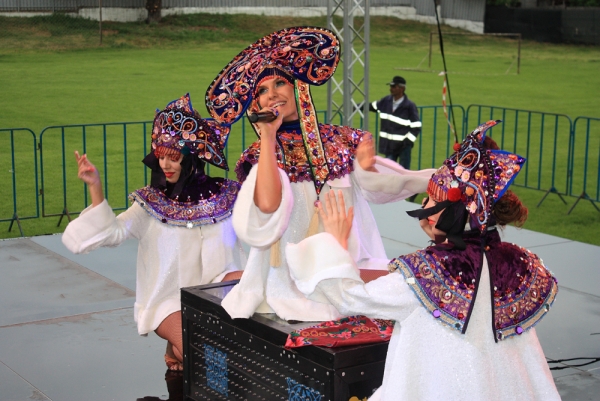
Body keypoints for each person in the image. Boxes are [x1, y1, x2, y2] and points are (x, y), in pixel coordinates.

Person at [286, 120, 560, 400]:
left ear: (458, 210)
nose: (424, 208)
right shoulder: (523, 263)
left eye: (433, 200)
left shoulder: (428, 272)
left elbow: (349, 299)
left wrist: (335, 242)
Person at [205, 26, 435, 322]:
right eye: (262, 90)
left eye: (280, 84)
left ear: (298, 87)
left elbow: (376, 185)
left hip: (344, 263)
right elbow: (266, 206)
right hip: (285, 280)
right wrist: (268, 137)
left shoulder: (342, 139)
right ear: (256, 104)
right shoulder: (258, 155)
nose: (272, 94)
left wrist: (433, 178)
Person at [62, 94, 246, 371]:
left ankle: (180, 345)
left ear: (192, 158)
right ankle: (176, 341)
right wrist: (95, 187)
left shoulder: (226, 194)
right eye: (161, 156)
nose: (165, 165)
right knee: (207, 361)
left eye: (174, 157)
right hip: (169, 299)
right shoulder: (149, 203)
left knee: (256, 288)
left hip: (215, 287)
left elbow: (265, 218)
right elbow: (113, 233)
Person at [369, 75, 421, 170]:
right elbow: (372, 106)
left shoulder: (410, 106)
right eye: (390, 86)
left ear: (402, 88)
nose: (391, 89)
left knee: (403, 173)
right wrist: (355, 106)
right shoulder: (386, 101)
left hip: (403, 148)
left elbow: (416, 126)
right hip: (389, 146)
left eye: (394, 86)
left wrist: (407, 142)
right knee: (388, 172)